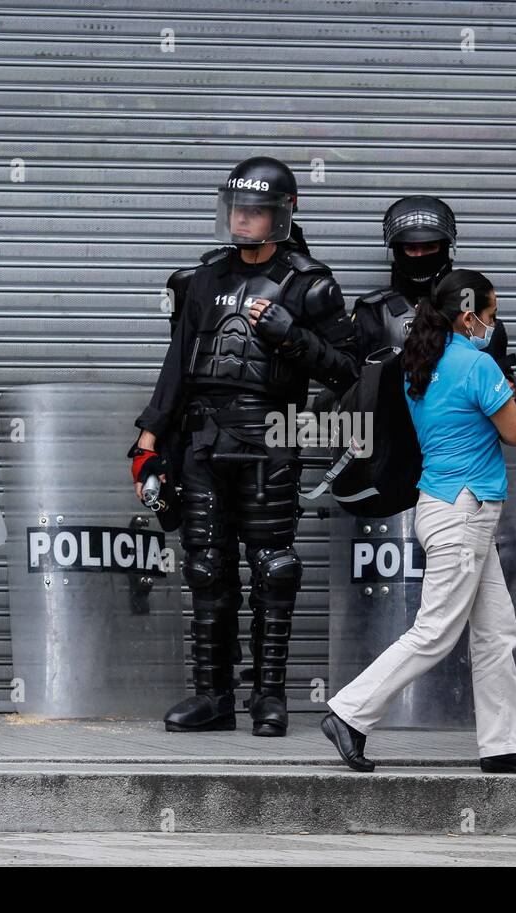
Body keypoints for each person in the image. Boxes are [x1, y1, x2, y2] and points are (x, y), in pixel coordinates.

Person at [131, 156, 359, 737]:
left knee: (273, 568)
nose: (243, 220)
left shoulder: (312, 284)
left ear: (284, 214)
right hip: (202, 441)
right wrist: (147, 441)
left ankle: (270, 697)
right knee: (207, 567)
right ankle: (213, 697)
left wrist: (291, 335)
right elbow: (177, 365)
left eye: (255, 211)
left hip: (271, 440)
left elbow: (349, 372)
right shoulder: (203, 278)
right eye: (236, 209)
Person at [321, 269, 516, 775]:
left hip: (443, 507)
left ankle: (504, 744)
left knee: (497, 633)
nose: (494, 325)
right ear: (469, 316)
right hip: (465, 511)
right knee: (434, 632)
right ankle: (349, 712)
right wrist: (505, 391)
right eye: (491, 315)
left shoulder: (421, 363)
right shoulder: (477, 364)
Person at [349, 195, 516, 415]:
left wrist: (512, 390)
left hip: (456, 436)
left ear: (444, 247)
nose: (419, 255)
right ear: (397, 250)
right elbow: (350, 386)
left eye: (429, 247)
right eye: (410, 248)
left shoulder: (470, 306)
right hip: (391, 435)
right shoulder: (373, 311)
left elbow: (510, 398)